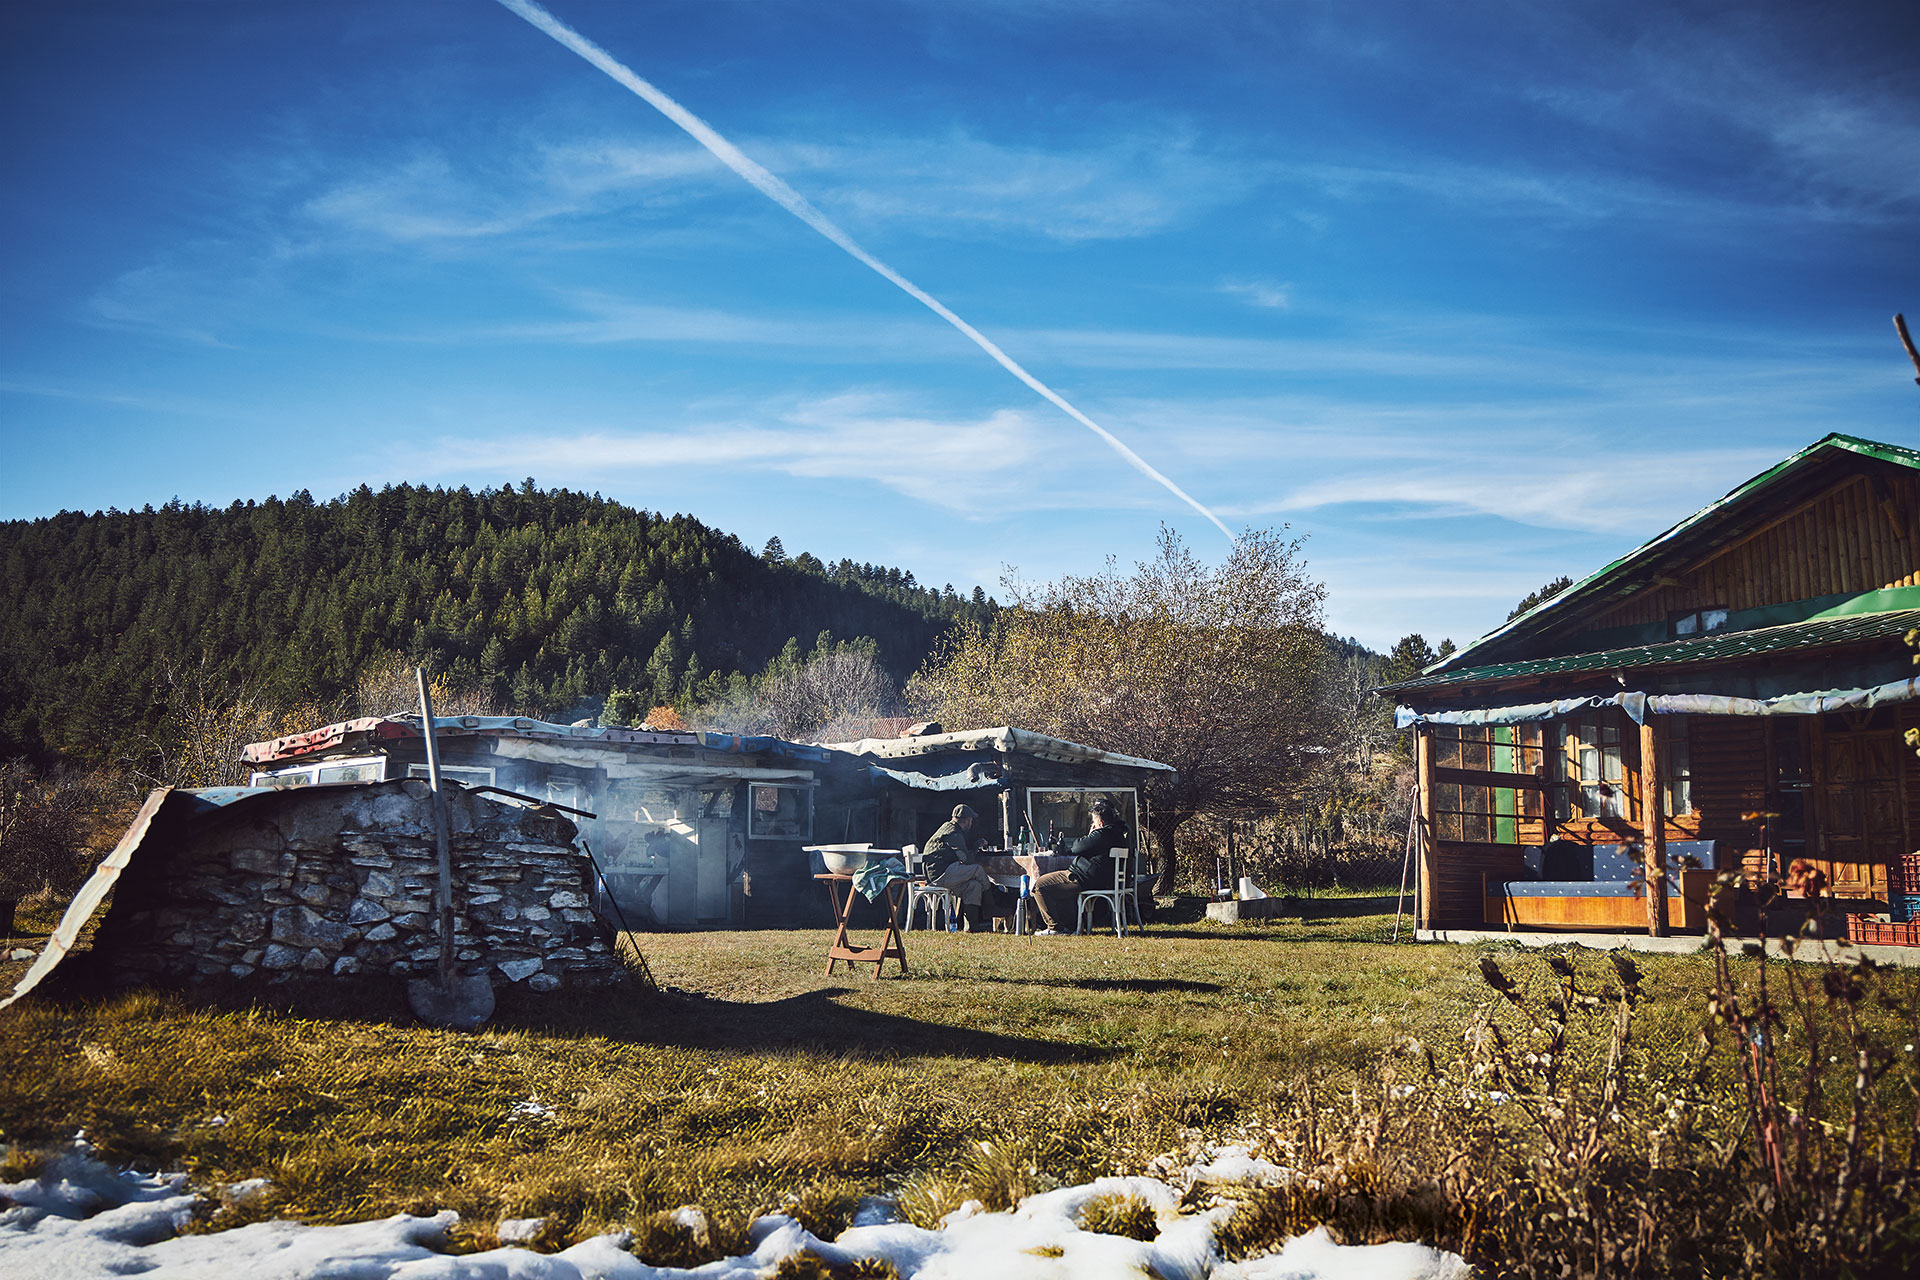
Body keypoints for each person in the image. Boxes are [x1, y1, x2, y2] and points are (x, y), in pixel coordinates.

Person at [1028, 797, 1132, 935]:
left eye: (1093, 821)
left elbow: (1077, 847)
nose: (1092, 824)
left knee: (1039, 885)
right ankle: (1070, 925)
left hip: (1083, 877)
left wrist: (1091, 833)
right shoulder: (1118, 835)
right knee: (1057, 888)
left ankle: (1054, 927)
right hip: (1101, 880)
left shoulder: (1100, 834)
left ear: (1100, 822)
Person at [920, 803, 995, 931]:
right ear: (966, 820)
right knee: (977, 869)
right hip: (939, 874)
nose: (971, 824)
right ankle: (991, 907)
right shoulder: (953, 833)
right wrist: (978, 845)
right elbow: (967, 860)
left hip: (944, 872)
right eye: (971, 821)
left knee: (974, 886)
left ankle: (971, 927)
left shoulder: (948, 828)